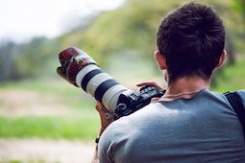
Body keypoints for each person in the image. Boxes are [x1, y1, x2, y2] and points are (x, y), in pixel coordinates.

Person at [92, 2, 245, 163]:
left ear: (160, 60)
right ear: (220, 60)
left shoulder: (118, 135)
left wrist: (104, 131)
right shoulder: (241, 106)